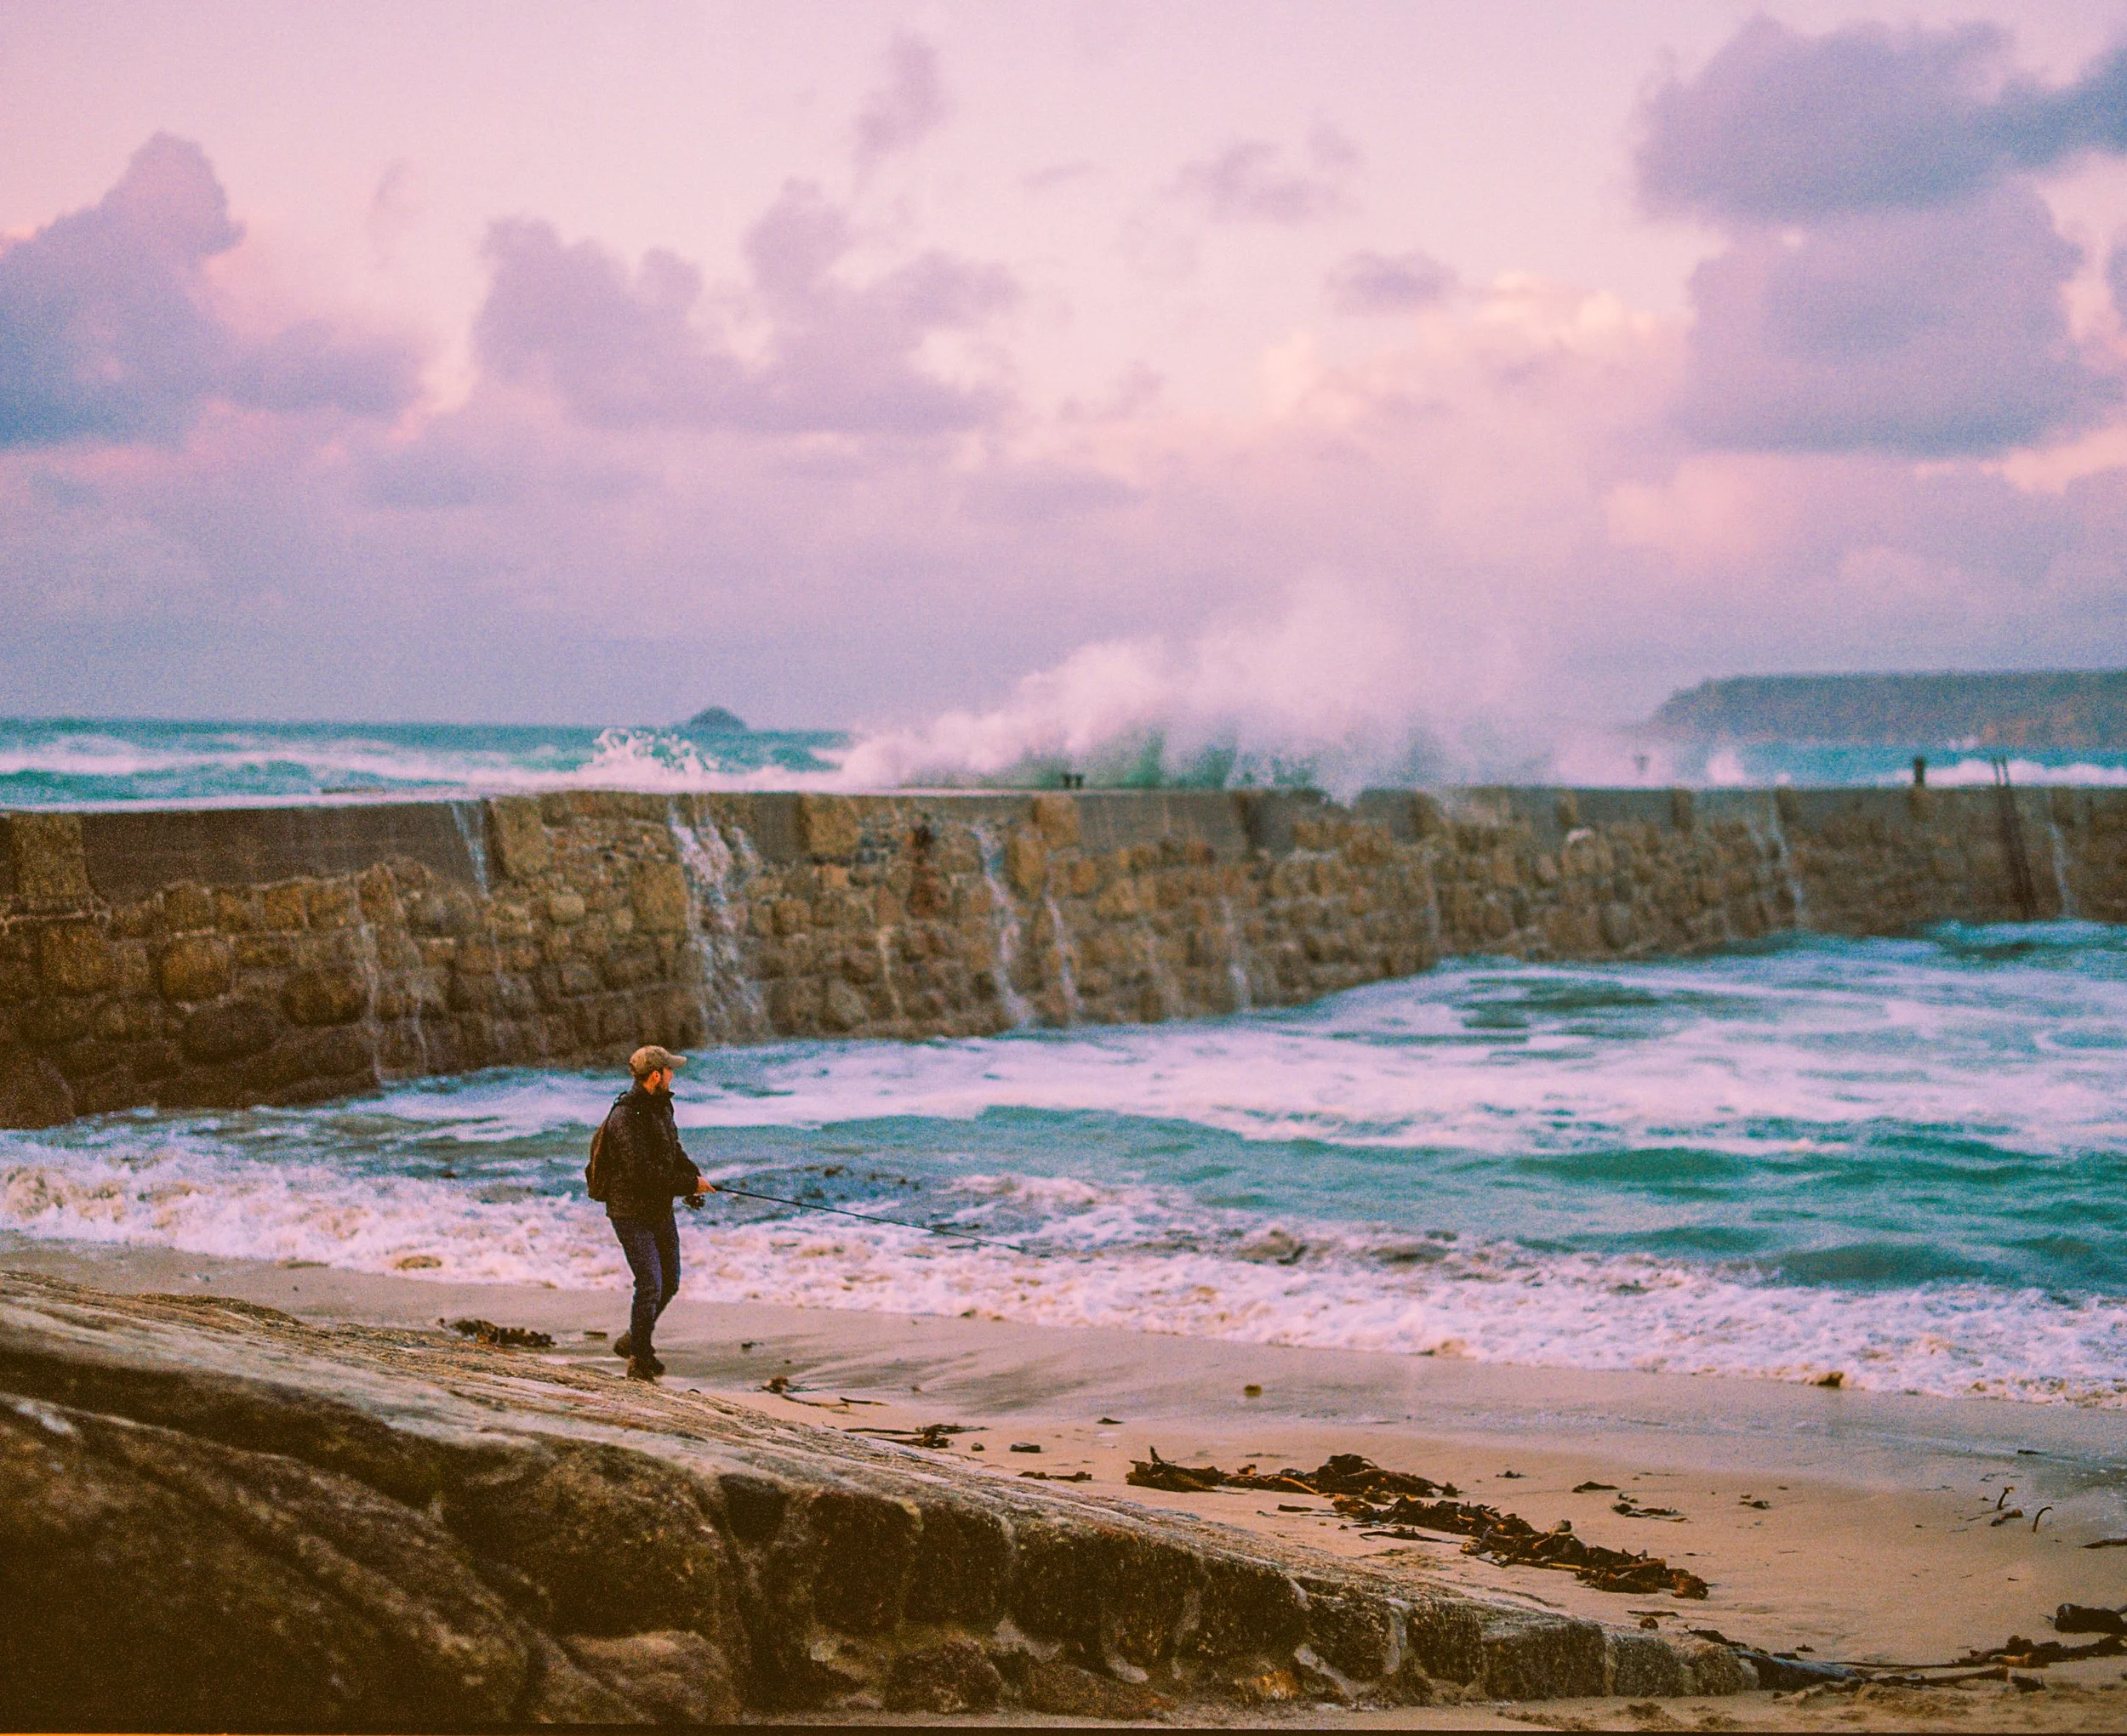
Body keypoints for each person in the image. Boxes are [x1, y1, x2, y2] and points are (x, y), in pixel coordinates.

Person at [598, 1044, 716, 1381]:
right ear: (655, 1076)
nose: (673, 1075)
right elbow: (642, 1174)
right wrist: (687, 1184)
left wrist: (694, 1178)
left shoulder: (663, 1106)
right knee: (650, 1283)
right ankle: (638, 1360)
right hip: (629, 1210)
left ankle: (635, 1340)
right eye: (669, 1070)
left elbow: (672, 1151)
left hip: (657, 1207)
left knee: (670, 1282)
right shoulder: (625, 1115)